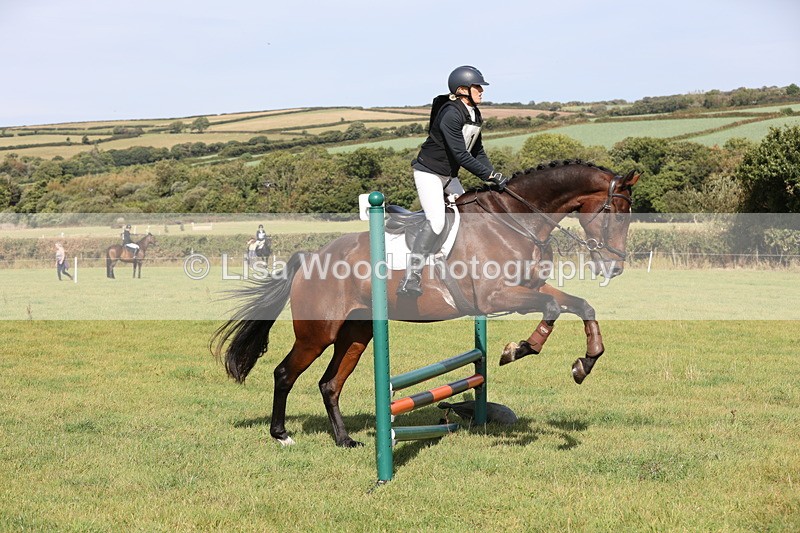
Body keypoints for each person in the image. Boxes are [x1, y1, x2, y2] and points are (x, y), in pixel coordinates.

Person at [397, 65, 507, 296]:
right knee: (437, 221)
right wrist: (487, 175)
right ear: (462, 90)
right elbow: (461, 155)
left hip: (449, 176)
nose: (481, 91)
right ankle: (411, 276)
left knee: (471, 216)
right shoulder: (450, 114)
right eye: (477, 87)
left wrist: (495, 175)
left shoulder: (474, 114)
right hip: (429, 173)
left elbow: (477, 151)